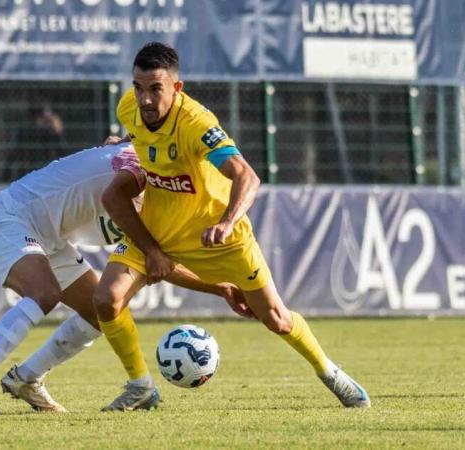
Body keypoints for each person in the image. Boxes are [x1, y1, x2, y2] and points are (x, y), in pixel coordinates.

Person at [92, 42, 370, 411]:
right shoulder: (128, 107)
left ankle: (330, 372)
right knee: (106, 300)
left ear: (177, 88)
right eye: (139, 86)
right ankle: (140, 386)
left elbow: (246, 176)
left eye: (155, 88)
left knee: (276, 319)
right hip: (157, 231)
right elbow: (145, 139)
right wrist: (127, 141)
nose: (145, 98)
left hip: (218, 238)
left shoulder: (197, 124)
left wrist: (227, 222)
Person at [0, 142, 253, 416]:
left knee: (98, 313)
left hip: (49, 237)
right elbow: (152, 252)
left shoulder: (155, 191)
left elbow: (159, 261)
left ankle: (27, 378)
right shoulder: (137, 166)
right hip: (8, 218)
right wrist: (219, 286)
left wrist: (222, 287)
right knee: (45, 293)